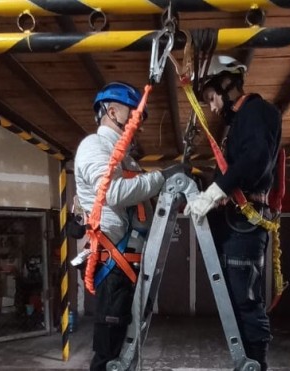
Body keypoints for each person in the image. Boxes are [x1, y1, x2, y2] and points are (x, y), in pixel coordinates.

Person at [74, 81, 186, 371]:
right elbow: (114, 193)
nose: (139, 123)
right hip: (114, 265)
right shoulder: (94, 147)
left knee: (126, 350)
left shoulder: (126, 158)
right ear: (111, 111)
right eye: (134, 114)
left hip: (128, 265)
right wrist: (162, 178)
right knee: (110, 353)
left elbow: (140, 198)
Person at [184, 55, 282, 371]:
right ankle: (245, 363)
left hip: (246, 221)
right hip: (235, 221)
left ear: (227, 84)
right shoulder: (240, 122)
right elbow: (236, 168)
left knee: (245, 301)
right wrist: (205, 193)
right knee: (235, 300)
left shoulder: (257, 112)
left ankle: (256, 365)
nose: (212, 107)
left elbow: (254, 160)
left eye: (212, 98)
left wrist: (216, 192)